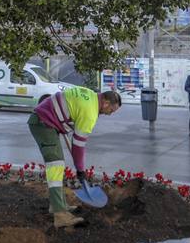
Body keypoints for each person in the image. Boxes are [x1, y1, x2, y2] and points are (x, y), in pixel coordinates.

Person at [27, 85, 122, 228]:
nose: (109, 114)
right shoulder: (90, 113)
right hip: (43, 122)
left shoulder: (90, 95)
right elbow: (78, 145)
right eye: (111, 110)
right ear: (106, 103)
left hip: (46, 120)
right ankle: (60, 215)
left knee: (57, 165)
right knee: (56, 165)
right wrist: (80, 170)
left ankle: (57, 205)